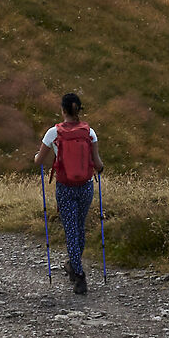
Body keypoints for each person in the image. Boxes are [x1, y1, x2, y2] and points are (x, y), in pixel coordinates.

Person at [38, 92, 106, 294]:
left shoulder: (54, 133)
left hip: (65, 187)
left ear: (62, 109)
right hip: (85, 187)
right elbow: (98, 163)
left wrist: (38, 156)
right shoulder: (89, 132)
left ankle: (79, 275)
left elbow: (38, 160)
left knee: (70, 231)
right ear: (79, 110)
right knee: (79, 227)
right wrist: (99, 169)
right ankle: (73, 266)